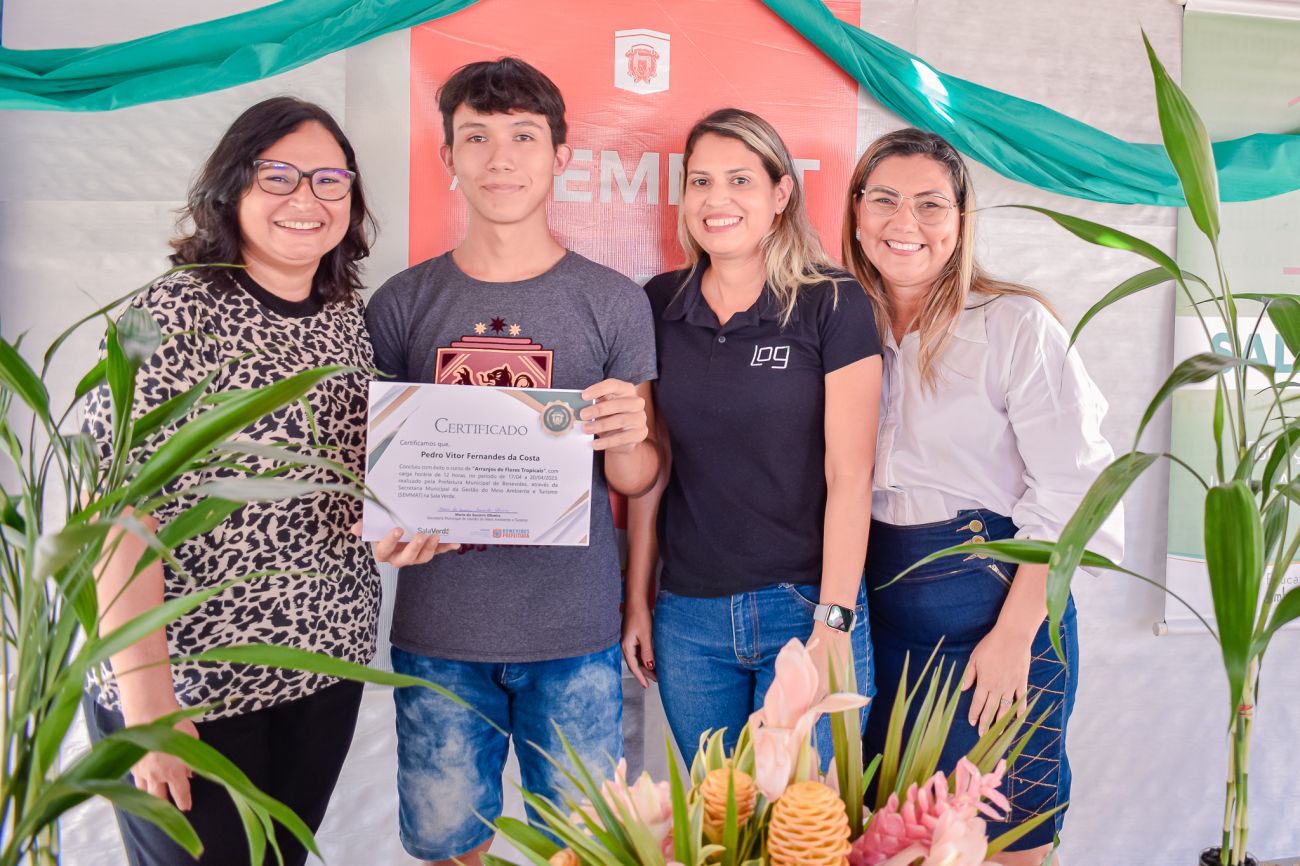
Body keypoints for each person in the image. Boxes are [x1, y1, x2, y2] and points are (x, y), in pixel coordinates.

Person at [82, 96, 449, 866]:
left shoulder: (343, 315)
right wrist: (150, 708)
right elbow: (111, 514)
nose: (306, 198)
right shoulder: (159, 315)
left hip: (319, 671)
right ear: (232, 188)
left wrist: (390, 532)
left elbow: (339, 485)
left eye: (328, 180)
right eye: (277, 176)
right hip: (190, 687)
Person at [364, 57, 658, 866]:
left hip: (575, 634)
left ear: (561, 156)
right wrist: (383, 529)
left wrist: (630, 436)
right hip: (439, 632)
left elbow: (636, 479)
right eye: (477, 137)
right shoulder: (401, 303)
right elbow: (370, 471)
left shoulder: (613, 301)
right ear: (447, 157)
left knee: (587, 849)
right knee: (448, 845)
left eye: (524, 137)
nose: (501, 158)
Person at [843, 128, 1124, 864]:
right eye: (884, 199)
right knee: (896, 838)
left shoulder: (1014, 325)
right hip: (880, 615)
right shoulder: (838, 326)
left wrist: (1014, 637)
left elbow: (1076, 491)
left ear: (961, 220)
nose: (905, 222)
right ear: (856, 212)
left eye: (930, 204)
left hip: (997, 607)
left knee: (1003, 836)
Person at [623, 108, 882, 766]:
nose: (718, 200)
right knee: (717, 814)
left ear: (781, 193)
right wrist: (638, 599)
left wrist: (834, 620)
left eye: (740, 180)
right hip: (689, 618)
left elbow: (851, 475)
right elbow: (655, 467)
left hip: (803, 606)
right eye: (701, 181)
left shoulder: (833, 302)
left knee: (806, 817)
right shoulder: (657, 303)